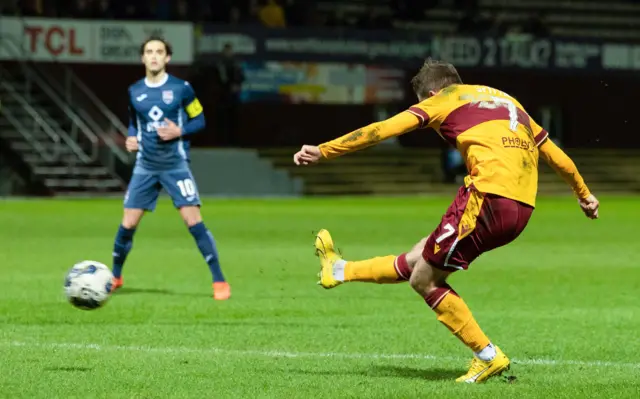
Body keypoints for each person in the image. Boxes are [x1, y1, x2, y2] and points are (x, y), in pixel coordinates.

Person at [293, 59, 599, 383]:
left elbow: (381, 130)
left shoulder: (444, 99)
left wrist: (324, 151)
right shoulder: (509, 102)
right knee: (420, 256)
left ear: (433, 92)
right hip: (522, 206)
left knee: (424, 280)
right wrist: (584, 194)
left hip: (488, 198)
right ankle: (338, 270)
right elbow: (554, 154)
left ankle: (487, 355)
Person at [111, 36, 231, 301]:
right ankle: (115, 276)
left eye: (159, 52)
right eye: (149, 51)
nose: (154, 56)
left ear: (167, 58)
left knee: (193, 221)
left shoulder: (182, 89)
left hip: (175, 165)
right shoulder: (135, 91)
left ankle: (219, 280)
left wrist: (181, 130)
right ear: (143, 58)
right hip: (145, 165)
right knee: (128, 223)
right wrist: (131, 139)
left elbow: (199, 119)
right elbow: (134, 123)